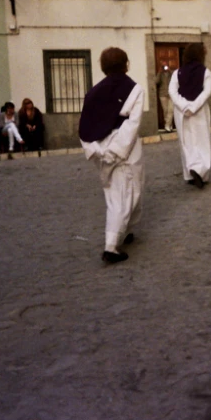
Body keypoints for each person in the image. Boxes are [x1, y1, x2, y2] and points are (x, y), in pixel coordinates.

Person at [79, 47, 145, 264]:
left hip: (100, 148)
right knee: (126, 193)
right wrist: (115, 153)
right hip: (124, 149)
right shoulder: (135, 90)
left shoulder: (93, 92)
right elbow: (132, 125)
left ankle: (125, 230)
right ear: (126, 64)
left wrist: (96, 152)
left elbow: (85, 127)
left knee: (117, 193)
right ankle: (111, 246)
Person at [168, 43, 211, 189]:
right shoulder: (206, 72)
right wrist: (194, 106)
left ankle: (189, 173)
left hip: (182, 112)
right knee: (202, 140)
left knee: (186, 142)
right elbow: (207, 92)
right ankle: (202, 172)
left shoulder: (177, 73)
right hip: (199, 110)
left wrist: (184, 106)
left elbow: (172, 92)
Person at [157, 64, 174, 132]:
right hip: (163, 94)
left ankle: (167, 125)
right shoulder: (160, 74)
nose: (165, 67)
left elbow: (176, 79)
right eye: (164, 66)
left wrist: (170, 71)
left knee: (171, 110)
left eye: (166, 66)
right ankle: (169, 125)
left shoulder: (171, 73)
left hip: (171, 94)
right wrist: (159, 72)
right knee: (165, 111)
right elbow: (156, 81)